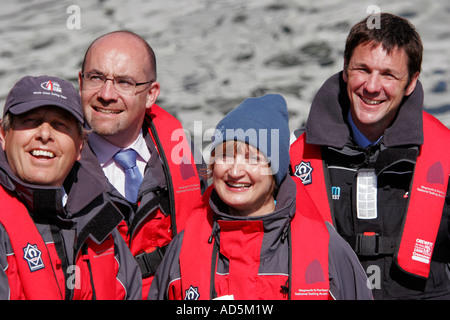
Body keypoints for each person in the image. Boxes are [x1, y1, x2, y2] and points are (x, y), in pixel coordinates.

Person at [149, 94, 372, 300]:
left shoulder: (328, 249)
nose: (235, 172)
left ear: (276, 171)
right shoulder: (182, 248)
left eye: (252, 159)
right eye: (225, 156)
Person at [290, 13, 450, 299]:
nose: (372, 87)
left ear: (411, 82)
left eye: (388, 74)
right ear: (345, 71)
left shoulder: (445, 155)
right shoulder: (293, 158)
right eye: (362, 69)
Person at [78, 30, 206, 298]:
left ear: (150, 94)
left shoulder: (184, 157)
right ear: (80, 82)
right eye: (96, 78)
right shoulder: (52, 168)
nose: (106, 94)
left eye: (124, 82)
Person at [0, 75, 142, 300]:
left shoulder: (101, 219)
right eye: (30, 121)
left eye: (60, 125)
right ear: (3, 135)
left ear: (79, 146)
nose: (44, 134)